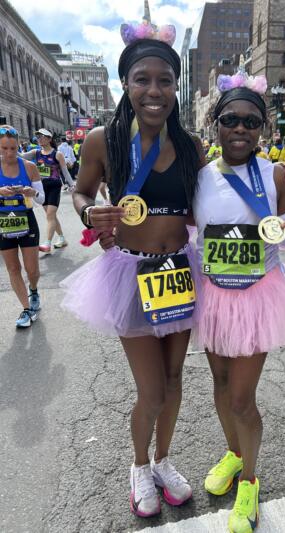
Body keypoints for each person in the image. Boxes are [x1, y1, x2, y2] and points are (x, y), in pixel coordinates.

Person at [60, 19, 206, 519]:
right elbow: (80, 190)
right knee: (152, 389)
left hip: (179, 275)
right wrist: (87, 212)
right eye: (142, 78)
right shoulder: (105, 139)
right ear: (126, 83)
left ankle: (164, 461)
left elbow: (205, 210)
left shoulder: (190, 147)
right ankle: (139, 465)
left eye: (164, 80)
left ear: (175, 88)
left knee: (175, 379)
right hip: (130, 276)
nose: (154, 90)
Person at [192, 71, 285, 533]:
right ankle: (233, 454)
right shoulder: (199, 177)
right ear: (216, 123)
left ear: (262, 129)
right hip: (214, 295)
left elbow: (280, 233)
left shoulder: (273, 173)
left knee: (242, 398)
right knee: (219, 383)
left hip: (258, 295)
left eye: (251, 122)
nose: (240, 129)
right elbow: (194, 234)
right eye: (230, 118)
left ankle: (250, 480)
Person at [0, 126, 45, 327]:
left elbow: (42, 199)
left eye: (12, 148)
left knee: (32, 269)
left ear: (18, 145)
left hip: (26, 219)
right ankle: (26, 309)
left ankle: (33, 290)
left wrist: (31, 193)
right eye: (3, 148)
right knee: (12, 267)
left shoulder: (29, 167)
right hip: (3, 223)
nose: (9, 153)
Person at [22, 128, 73, 253]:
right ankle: (61, 238)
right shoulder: (36, 152)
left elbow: (65, 172)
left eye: (42, 136)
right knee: (51, 216)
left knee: (50, 215)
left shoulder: (57, 154)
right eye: (38, 137)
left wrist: (72, 186)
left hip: (54, 186)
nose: (39, 139)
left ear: (49, 139)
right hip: (42, 188)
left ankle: (47, 243)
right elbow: (20, 156)